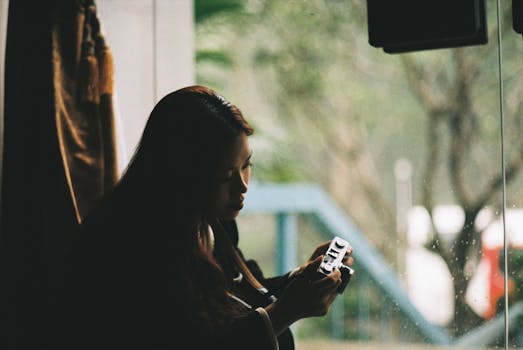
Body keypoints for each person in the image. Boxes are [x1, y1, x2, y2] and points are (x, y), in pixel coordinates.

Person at [67, 85, 353, 350]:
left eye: (246, 165)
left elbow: (237, 294)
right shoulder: (133, 252)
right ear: (183, 174)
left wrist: (300, 280)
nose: (242, 186)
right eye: (227, 175)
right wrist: (287, 311)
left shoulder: (211, 221)